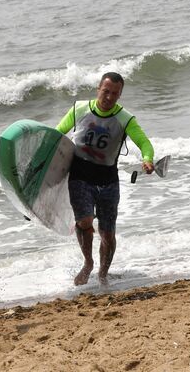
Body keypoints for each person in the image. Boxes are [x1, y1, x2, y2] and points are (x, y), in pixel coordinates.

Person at [55, 72, 154, 286]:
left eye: (114, 93)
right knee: (84, 222)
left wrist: (147, 159)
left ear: (120, 95)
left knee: (107, 234)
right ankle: (88, 262)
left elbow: (144, 143)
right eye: (105, 91)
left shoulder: (125, 119)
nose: (108, 97)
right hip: (80, 175)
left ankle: (103, 273)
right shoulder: (79, 109)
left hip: (108, 180)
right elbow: (57, 134)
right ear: (98, 89)